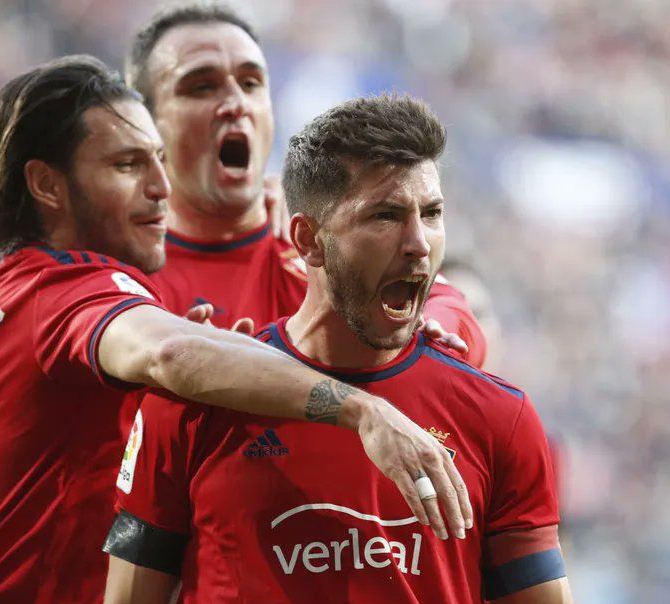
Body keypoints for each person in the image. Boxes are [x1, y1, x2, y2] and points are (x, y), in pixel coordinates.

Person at [0, 58, 471, 604]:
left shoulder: (0, 300)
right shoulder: (63, 292)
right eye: (128, 165)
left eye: (159, 159)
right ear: (48, 186)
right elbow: (169, 354)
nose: (162, 185)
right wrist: (361, 409)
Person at [74, 95, 617, 604]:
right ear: (307, 240)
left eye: (431, 213)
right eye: (384, 216)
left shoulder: (496, 417)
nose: (418, 244)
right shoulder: (194, 408)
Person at [125, 4, 487, 363]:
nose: (236, 103)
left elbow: (454, 311)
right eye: (202, 87)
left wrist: (432, 328)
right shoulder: (123, 268)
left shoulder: (318, 243)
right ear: (145, 121)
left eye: (251, 83)